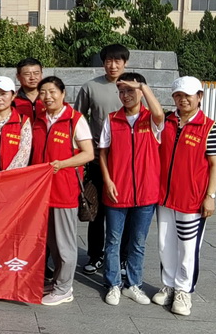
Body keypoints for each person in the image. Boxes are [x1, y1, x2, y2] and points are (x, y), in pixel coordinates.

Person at [153, 76, 216, 316]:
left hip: (192, 200)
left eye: (188, 95)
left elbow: (215, 164)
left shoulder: (210, 127)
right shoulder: (167, 121)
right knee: (165, 244)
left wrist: (210, 195)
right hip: (164, 197)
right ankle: (169, 285)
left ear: (199, 97)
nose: (183, 100)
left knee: (188, 248)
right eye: (178, 95)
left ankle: (184, 290)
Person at [99, 73, 164, 306]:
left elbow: (159, 114)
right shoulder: (112, 119)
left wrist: (143, 87)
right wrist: (108, 180)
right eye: (121, 91)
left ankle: (133, 284)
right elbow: (103, 152)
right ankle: (113, 284)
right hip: (117, 191)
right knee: (113, 241)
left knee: (138, 243)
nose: (125, 95)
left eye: (130, 90)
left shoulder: (150, 119)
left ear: (140, 91)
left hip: (146, 193)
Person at [32, 76, 94, 306]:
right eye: (43, 93)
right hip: (42, 192)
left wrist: (62, 164)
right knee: (51, 242)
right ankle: (57, 281)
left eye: (52, 92)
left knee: (65, 244)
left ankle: (64, 289)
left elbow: (88, 154)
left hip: (64, 190)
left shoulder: (74, 120)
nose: (47, 97)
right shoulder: (39, 119)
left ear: (63, 93)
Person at [74, 44, 129, 275]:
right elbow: (77, 119)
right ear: (103, 62)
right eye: (108, 61)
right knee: (97, 212)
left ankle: (122, 258)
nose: (113, 65)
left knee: (125, 212)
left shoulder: (132, 86)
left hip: (126, 163)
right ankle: (96, 255)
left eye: (118, 61)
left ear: (125, 63)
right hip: (98, 160)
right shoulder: (91, 87)